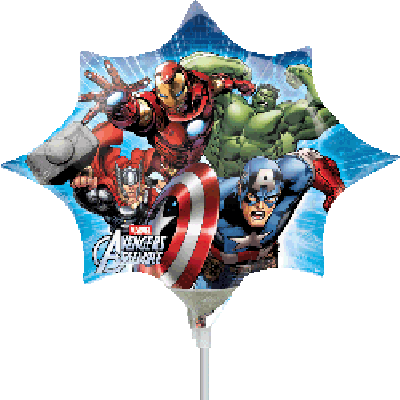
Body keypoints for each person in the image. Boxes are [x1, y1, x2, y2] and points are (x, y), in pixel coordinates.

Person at [196, 148, 345, 289]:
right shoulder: (214, 195)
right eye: (253, 198)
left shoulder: (294, 175)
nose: (260, 207)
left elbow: (313, 162)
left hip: (264, 264)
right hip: (216, 270)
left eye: (269, 199)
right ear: (240, 190)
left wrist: (335, 191)